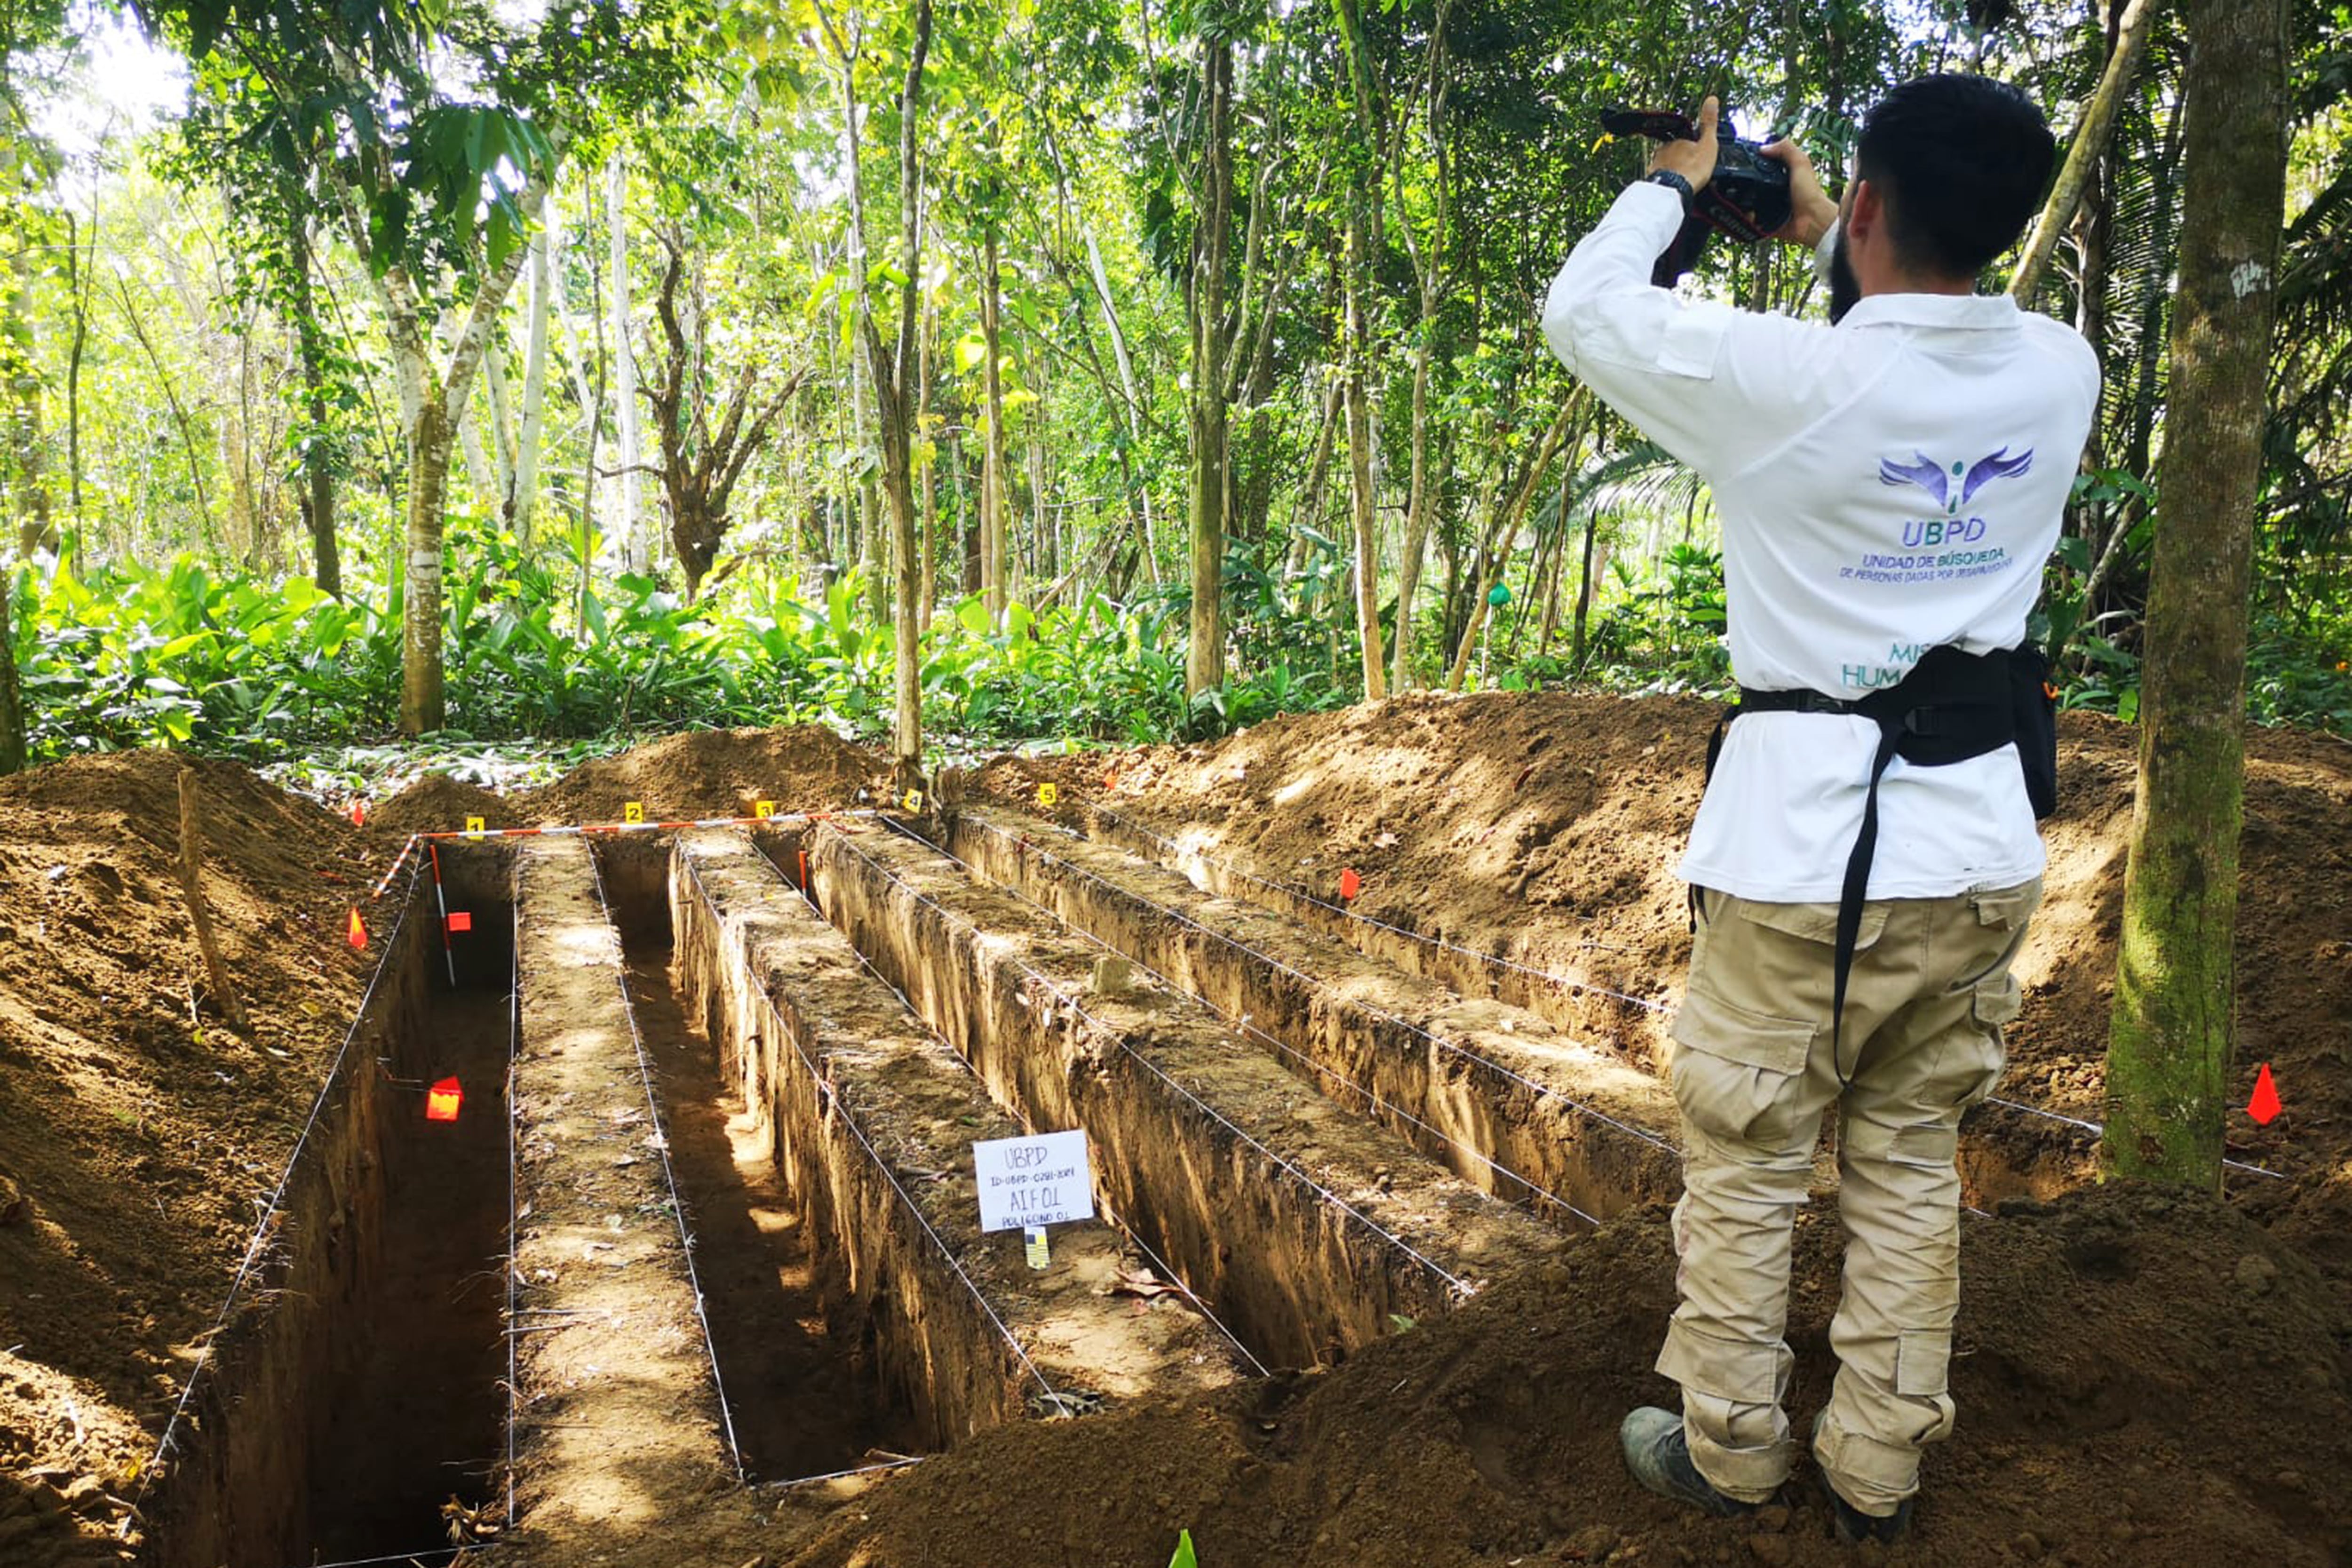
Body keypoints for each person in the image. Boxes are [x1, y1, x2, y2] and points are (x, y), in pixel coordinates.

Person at [1538, 77, 2098, 1543]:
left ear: (1862, 209)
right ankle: (1880, 1464)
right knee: (1910, 1160)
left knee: (1749, 1162)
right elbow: (1914, 346)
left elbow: (1590, 311)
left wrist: (1679, 183)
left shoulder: (1791, 384)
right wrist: (1829, 225)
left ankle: (1729, 1448)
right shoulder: (2062, 371)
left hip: (1803, 857)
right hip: (1974, 848)